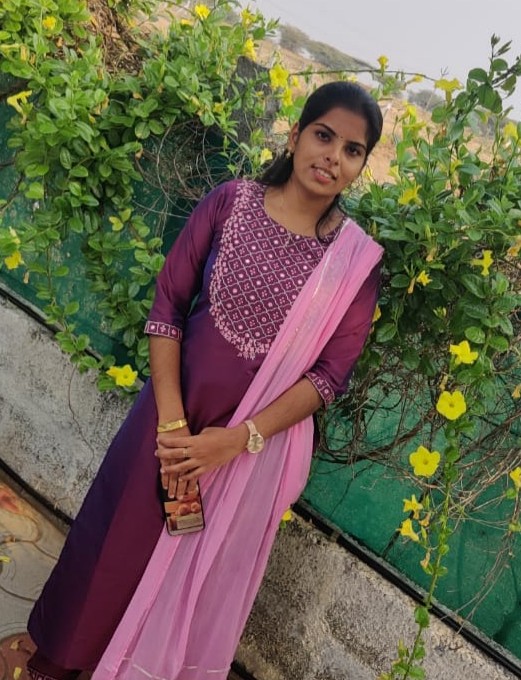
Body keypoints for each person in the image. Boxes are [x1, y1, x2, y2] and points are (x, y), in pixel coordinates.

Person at [27, 80, 384, 680]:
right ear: (295, 136)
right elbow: (168, 305)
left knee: (194, 576)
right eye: (323, 136)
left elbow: (328, 377)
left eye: (352, 150)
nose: (333, 157)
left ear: (361, 165)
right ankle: (56, 664)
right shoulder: (230, 202)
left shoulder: (353, 264)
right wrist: (171, 423)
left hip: (248, 453)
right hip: (168, 417)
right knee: (112, 547)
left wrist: (237, 440)